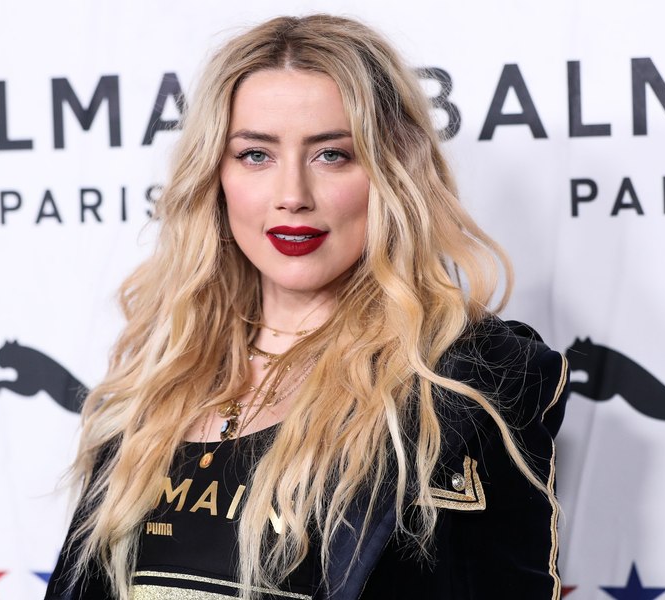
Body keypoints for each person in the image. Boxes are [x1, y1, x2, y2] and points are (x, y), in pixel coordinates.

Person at [45, 14, 569, 600]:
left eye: (332, 155)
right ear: (215, 175)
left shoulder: (469, 383)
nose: (292, 195)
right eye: (255, 155)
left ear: (392, 172)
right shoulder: (159, 374)